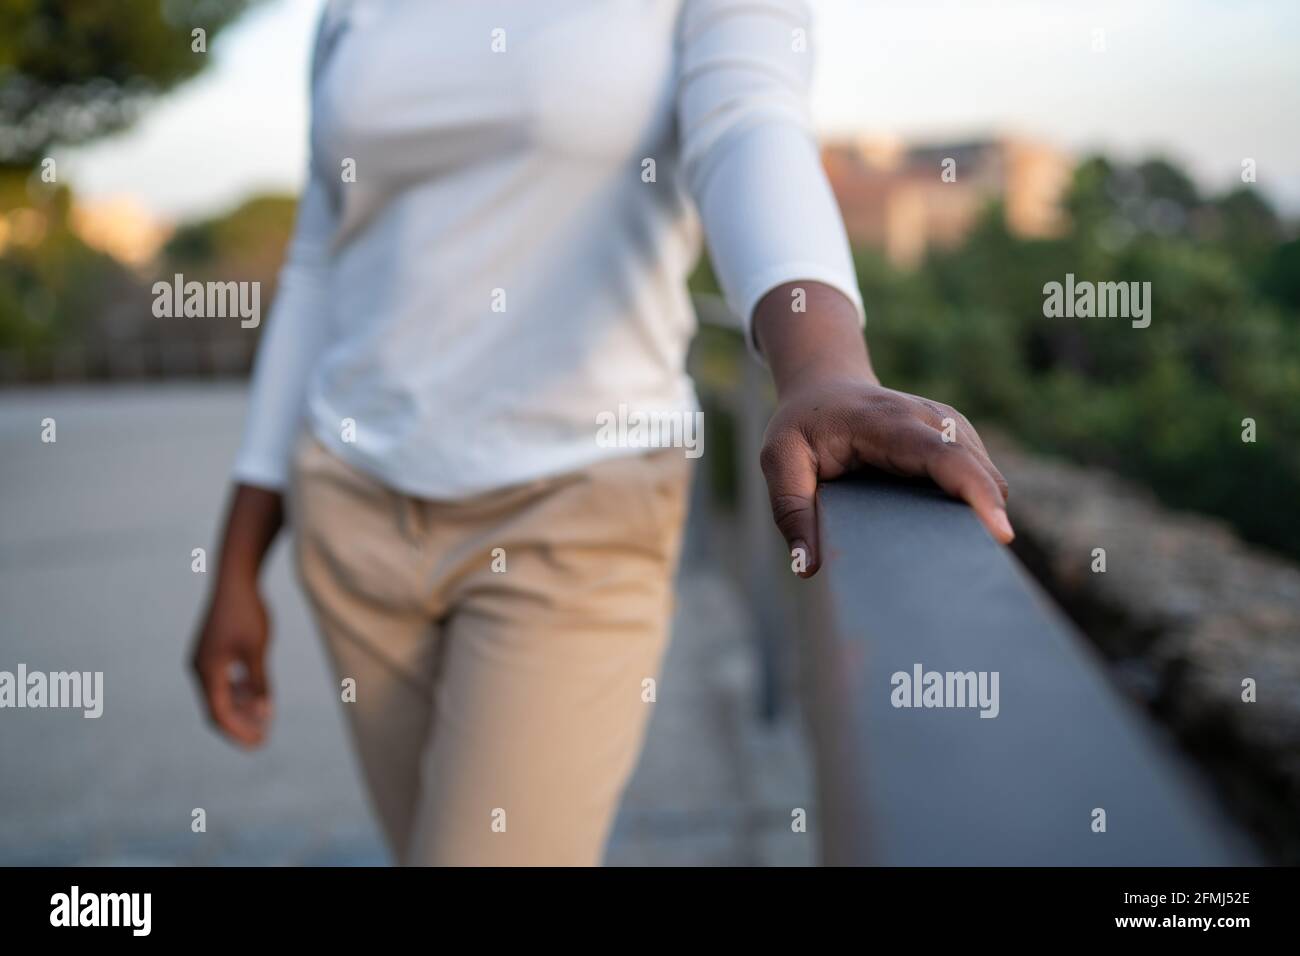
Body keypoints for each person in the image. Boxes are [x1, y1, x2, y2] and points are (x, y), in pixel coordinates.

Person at [191, 0, 1012, 866]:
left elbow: (747, 125)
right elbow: (319, 256)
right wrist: (240, 558)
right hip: (350, 513)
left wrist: (823, 369)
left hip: (578, 508)